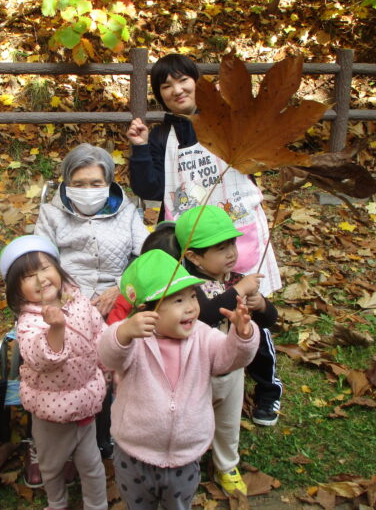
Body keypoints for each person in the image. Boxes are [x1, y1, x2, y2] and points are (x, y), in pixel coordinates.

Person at [99, 250, 259, 510]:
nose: (190, 307)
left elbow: (229, 360)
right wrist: (124, 332)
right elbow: (108, 355)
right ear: (146, 311)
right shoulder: (135, 343)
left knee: (179, 505)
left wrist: (242, 336)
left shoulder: (202, 336)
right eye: (177, 300)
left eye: (193, 296)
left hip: (186, 453)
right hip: (134, 452)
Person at [125, 53, 281, 297]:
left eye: (183, 80)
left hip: (238, 225)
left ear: (198, 82)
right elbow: (150, 190)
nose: (177, 90)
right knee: (200, 303)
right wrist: (141, 148)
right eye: (166, 86)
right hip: (191, 239)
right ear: (160, 95)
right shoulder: (161, 137)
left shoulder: (229, 121)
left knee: (251, 298)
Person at [175, 204, 282, 495]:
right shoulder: (186, 285)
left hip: (233, 368)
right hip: (195, 370)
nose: (231, 253)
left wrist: (260, 305)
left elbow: (270, 321)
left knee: (228, 421)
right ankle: (187, 461)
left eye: (232, 243)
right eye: (220, 248)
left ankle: (226, 464)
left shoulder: (236, 279)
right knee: (191, 420)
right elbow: (206, 314)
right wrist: (239, 291)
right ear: (193, 256)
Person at [0, 235, 108, 510]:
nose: (41, 279)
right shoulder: (29, 322)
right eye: (28, 276)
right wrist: (56, 329)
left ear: (59, 269)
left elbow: (99, 334)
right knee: (51, 465)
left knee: (91, 463)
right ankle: (57, 502)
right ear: (17, 289)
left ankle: (97, 505)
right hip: (51, 411)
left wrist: (111, 364)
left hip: (86, 402)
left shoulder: (79, 301)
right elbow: (41, 358)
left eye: (46, 268)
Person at [35, 143, 149, 317]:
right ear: (67, 184)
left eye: (96, 184)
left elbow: (148, 256)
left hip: (121, 296)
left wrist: (121, 288)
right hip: (65, 297)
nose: (87, 190)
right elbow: (40, 261)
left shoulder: (127, 212)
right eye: (79, 185)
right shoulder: (50, 214)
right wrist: (62, 293)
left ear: (108, 184)